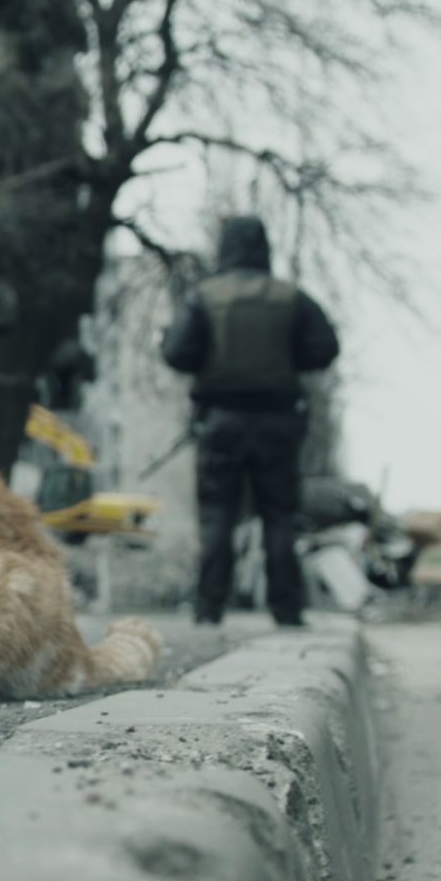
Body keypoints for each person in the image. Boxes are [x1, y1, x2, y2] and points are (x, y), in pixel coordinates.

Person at [160, 215, 340, 628]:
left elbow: (177, 353)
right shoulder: (291, 297)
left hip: (221, 421)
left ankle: (209, 610)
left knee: (217, 516)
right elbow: (325, 348)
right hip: (278, 421)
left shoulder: (204, 297)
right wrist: (288, 355)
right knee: (279, 516)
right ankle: (287, 611)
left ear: (224, 248)